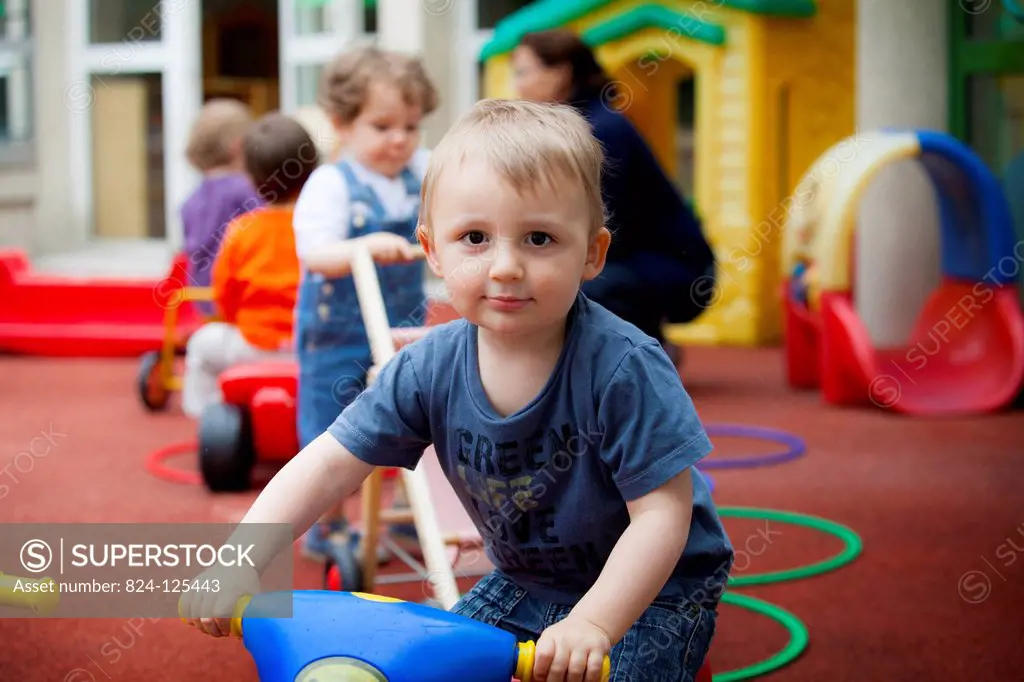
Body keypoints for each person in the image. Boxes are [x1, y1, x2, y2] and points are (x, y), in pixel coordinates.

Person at [181, 99, 733, 682]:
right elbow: (327, 464)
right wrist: (240, 559)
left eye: (539, 239)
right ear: (433, 251)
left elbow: (661, 518)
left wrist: (593, 623)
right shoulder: (427, 368)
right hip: (526, 581)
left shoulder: (624, 367)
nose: (505, 267)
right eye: (475, 237)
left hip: (657, 589)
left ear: (592, 253)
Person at [290, 46, 439, 559]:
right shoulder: (332, 183)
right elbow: (314, 254)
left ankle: (402, 514)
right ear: (342, 123)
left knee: (410, 417)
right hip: (336, 331)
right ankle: (324, 525)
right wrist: (363, 248)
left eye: (411, 126)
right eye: (382, 126)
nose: (399, 139)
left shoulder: (418, 175)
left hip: (398, 323)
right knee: (328, 426)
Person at [511, 29, 717, 364]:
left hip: (680, 272)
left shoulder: (600, 130)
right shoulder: (576, 125)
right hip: (639, 261)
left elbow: (606, 222)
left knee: (569, 281)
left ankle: (639, 350)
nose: (517, 84)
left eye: (524, 72)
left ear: (561, 73)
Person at [180, 112, 317, 420]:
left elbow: (224, 295)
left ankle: (207, 418)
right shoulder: (320, 226)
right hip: (312, 346)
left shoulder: (242, 229)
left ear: (250, 177)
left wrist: (233, 321)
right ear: (313, 170)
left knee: (202, 345)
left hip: (255, 342)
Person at [180, 98, 263, 317]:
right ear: (239, 145)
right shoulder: (247, 192)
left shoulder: (191, 201)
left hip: (205, 304)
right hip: (243, 303)